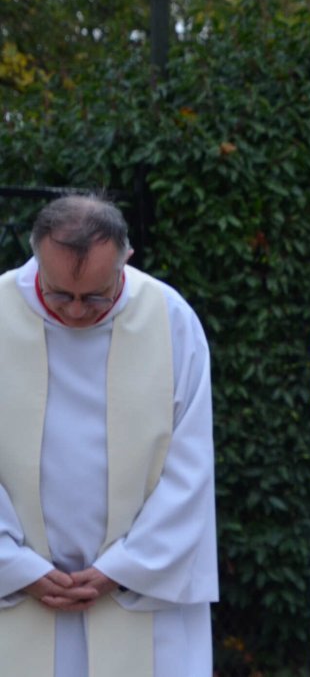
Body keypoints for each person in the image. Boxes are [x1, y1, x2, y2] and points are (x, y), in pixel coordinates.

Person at [0, 194, 218, 677]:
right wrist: (15, 566)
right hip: (16, 596)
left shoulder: (169, 319)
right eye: (59, 293)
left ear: (127, 260)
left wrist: (124, 567)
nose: (76, 312)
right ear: (35, 256)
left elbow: (190, 462)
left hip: (135, 593)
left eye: (97, 296)